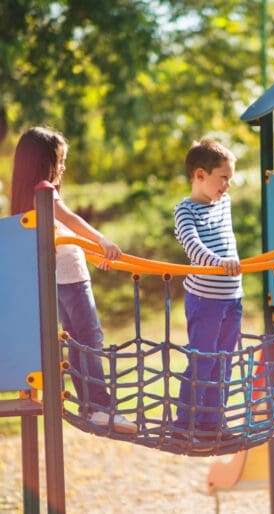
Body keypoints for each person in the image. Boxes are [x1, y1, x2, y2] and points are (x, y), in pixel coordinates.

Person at [10, 126, 137, 434]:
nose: (64, 166)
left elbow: (62, 238)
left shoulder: (28, 196)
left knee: (78, 340)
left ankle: (92, 406)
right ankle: (100, 407)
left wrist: (94, 254)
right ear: (44, 163)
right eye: (60, 160)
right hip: (71, 281)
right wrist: (102, 240)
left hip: (56, 280)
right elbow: (72, 221)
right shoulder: (47, 192)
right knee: (89, 339)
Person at [173, 138, 242, 439]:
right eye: (223, 178)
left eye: (230, 178)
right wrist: (219, 262)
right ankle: (185, 423)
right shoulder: (185, 211)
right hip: (205, 299)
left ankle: (213, 422)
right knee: (202, 360)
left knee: (224, 362)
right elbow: (193, 247)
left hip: (232, 297)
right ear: (200, 175)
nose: (227, 185)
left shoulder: (223, 202)